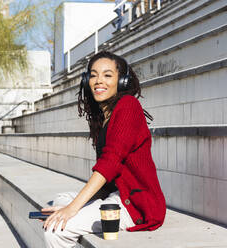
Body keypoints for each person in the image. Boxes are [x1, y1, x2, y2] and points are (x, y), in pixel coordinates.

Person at [41, 51, 166, 248]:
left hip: (135, 206)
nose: (99, 81)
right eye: (93, 75)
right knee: (59, 201)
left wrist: (73, 209)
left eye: (107, 75)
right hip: (114, 196)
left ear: (122, 81)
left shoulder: (128, 106)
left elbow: (110, 163)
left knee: (56, 230)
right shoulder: (103, 117)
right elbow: (109, 179)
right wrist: (70, 206)